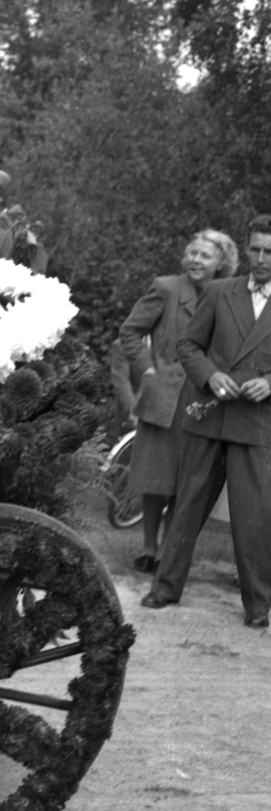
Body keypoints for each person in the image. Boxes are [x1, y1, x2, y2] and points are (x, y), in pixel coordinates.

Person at [141, 216, 271, 627]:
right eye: (255, 249)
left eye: (269, 251)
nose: (261, 259)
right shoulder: (219, 291)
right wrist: (210, 376)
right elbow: (188, 345)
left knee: (254, 516)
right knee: (188, 505)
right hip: (210, 413)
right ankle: (164, 588)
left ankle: (257, 606)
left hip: (256, 422)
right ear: (246, 249)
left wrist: (269, 383)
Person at [120, 230, 239, 572]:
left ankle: (168, 552)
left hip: (203, 398)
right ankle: (147, 548)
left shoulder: (227, 296)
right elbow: (130, 331)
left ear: (222, 264)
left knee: (186, 480)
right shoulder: (166, 287)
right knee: (156, 477)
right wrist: (147, 371)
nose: (196, 261)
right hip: (163, 397)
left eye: (205, 256)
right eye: (193, 253)